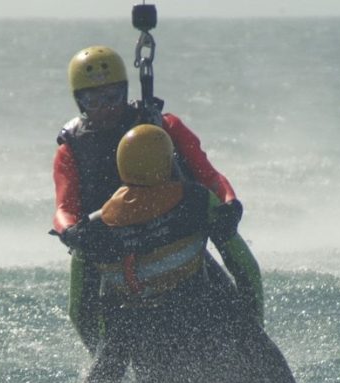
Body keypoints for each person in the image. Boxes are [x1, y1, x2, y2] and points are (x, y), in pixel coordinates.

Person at [68, 124, 299, 383]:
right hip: (200, 317)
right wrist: (252, 327)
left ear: (121, 167)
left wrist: (101, 350)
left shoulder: (93, 228)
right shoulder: (196, 201)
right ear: (168, 162)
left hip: (135, 338)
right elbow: (246, 268)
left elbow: (79, 309)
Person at [51, 45, 248, 355]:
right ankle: (103, 359)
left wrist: (229, 205)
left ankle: (253, 331)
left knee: (236, 283)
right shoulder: (70, 150)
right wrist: (73, 233)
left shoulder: (163, 125)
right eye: (93, 99)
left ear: (125, 90)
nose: (105, 107)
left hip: (175, 238)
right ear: (79, 101)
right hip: (110, 250)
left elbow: (209, 176)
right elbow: (63, 209)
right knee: (82, 308)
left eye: (113, 96)